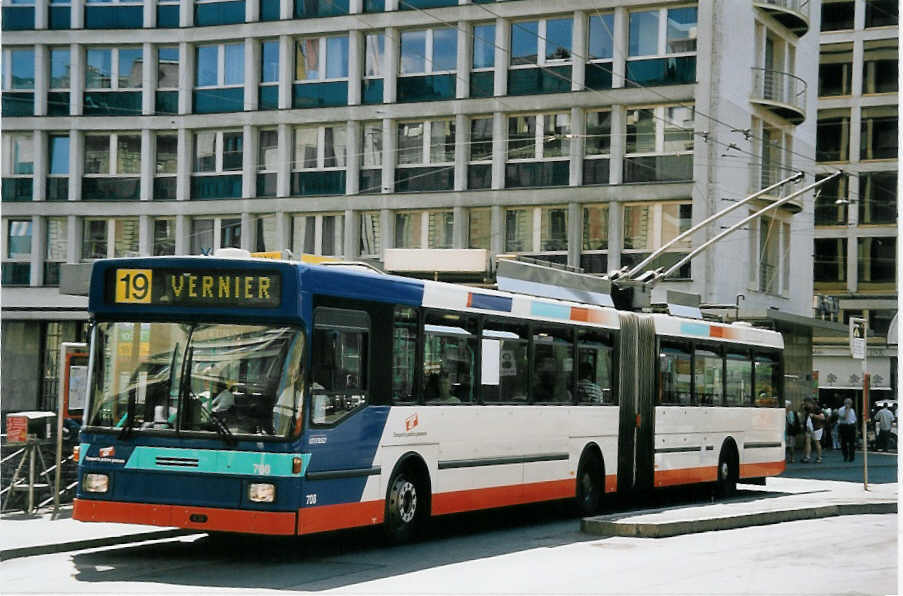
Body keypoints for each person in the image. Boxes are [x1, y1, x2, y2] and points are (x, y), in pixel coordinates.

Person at [802, 398, 825, 463]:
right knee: (807, 441)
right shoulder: (807, 408)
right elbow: (801, 411)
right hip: (809, 428)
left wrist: (814, 415)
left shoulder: (817, 408)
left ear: (809, 403)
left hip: (817, 427)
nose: (805, 404)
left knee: (816, 442)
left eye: (805, 403)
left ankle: (819, 457)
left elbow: (822, 417)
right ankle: (807, 457)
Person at [836, 398, 857, 462]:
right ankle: (845, 456)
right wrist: (847, 410)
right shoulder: (841, 409)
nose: (849, 405)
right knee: (844, 442)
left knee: (852, 443)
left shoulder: (852, 410)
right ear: (845, 404)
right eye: (848, 403)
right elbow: (845, 417)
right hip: (844, 426)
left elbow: (854, 419)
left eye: (850, 404)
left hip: (851, 426)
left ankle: (851, 457)